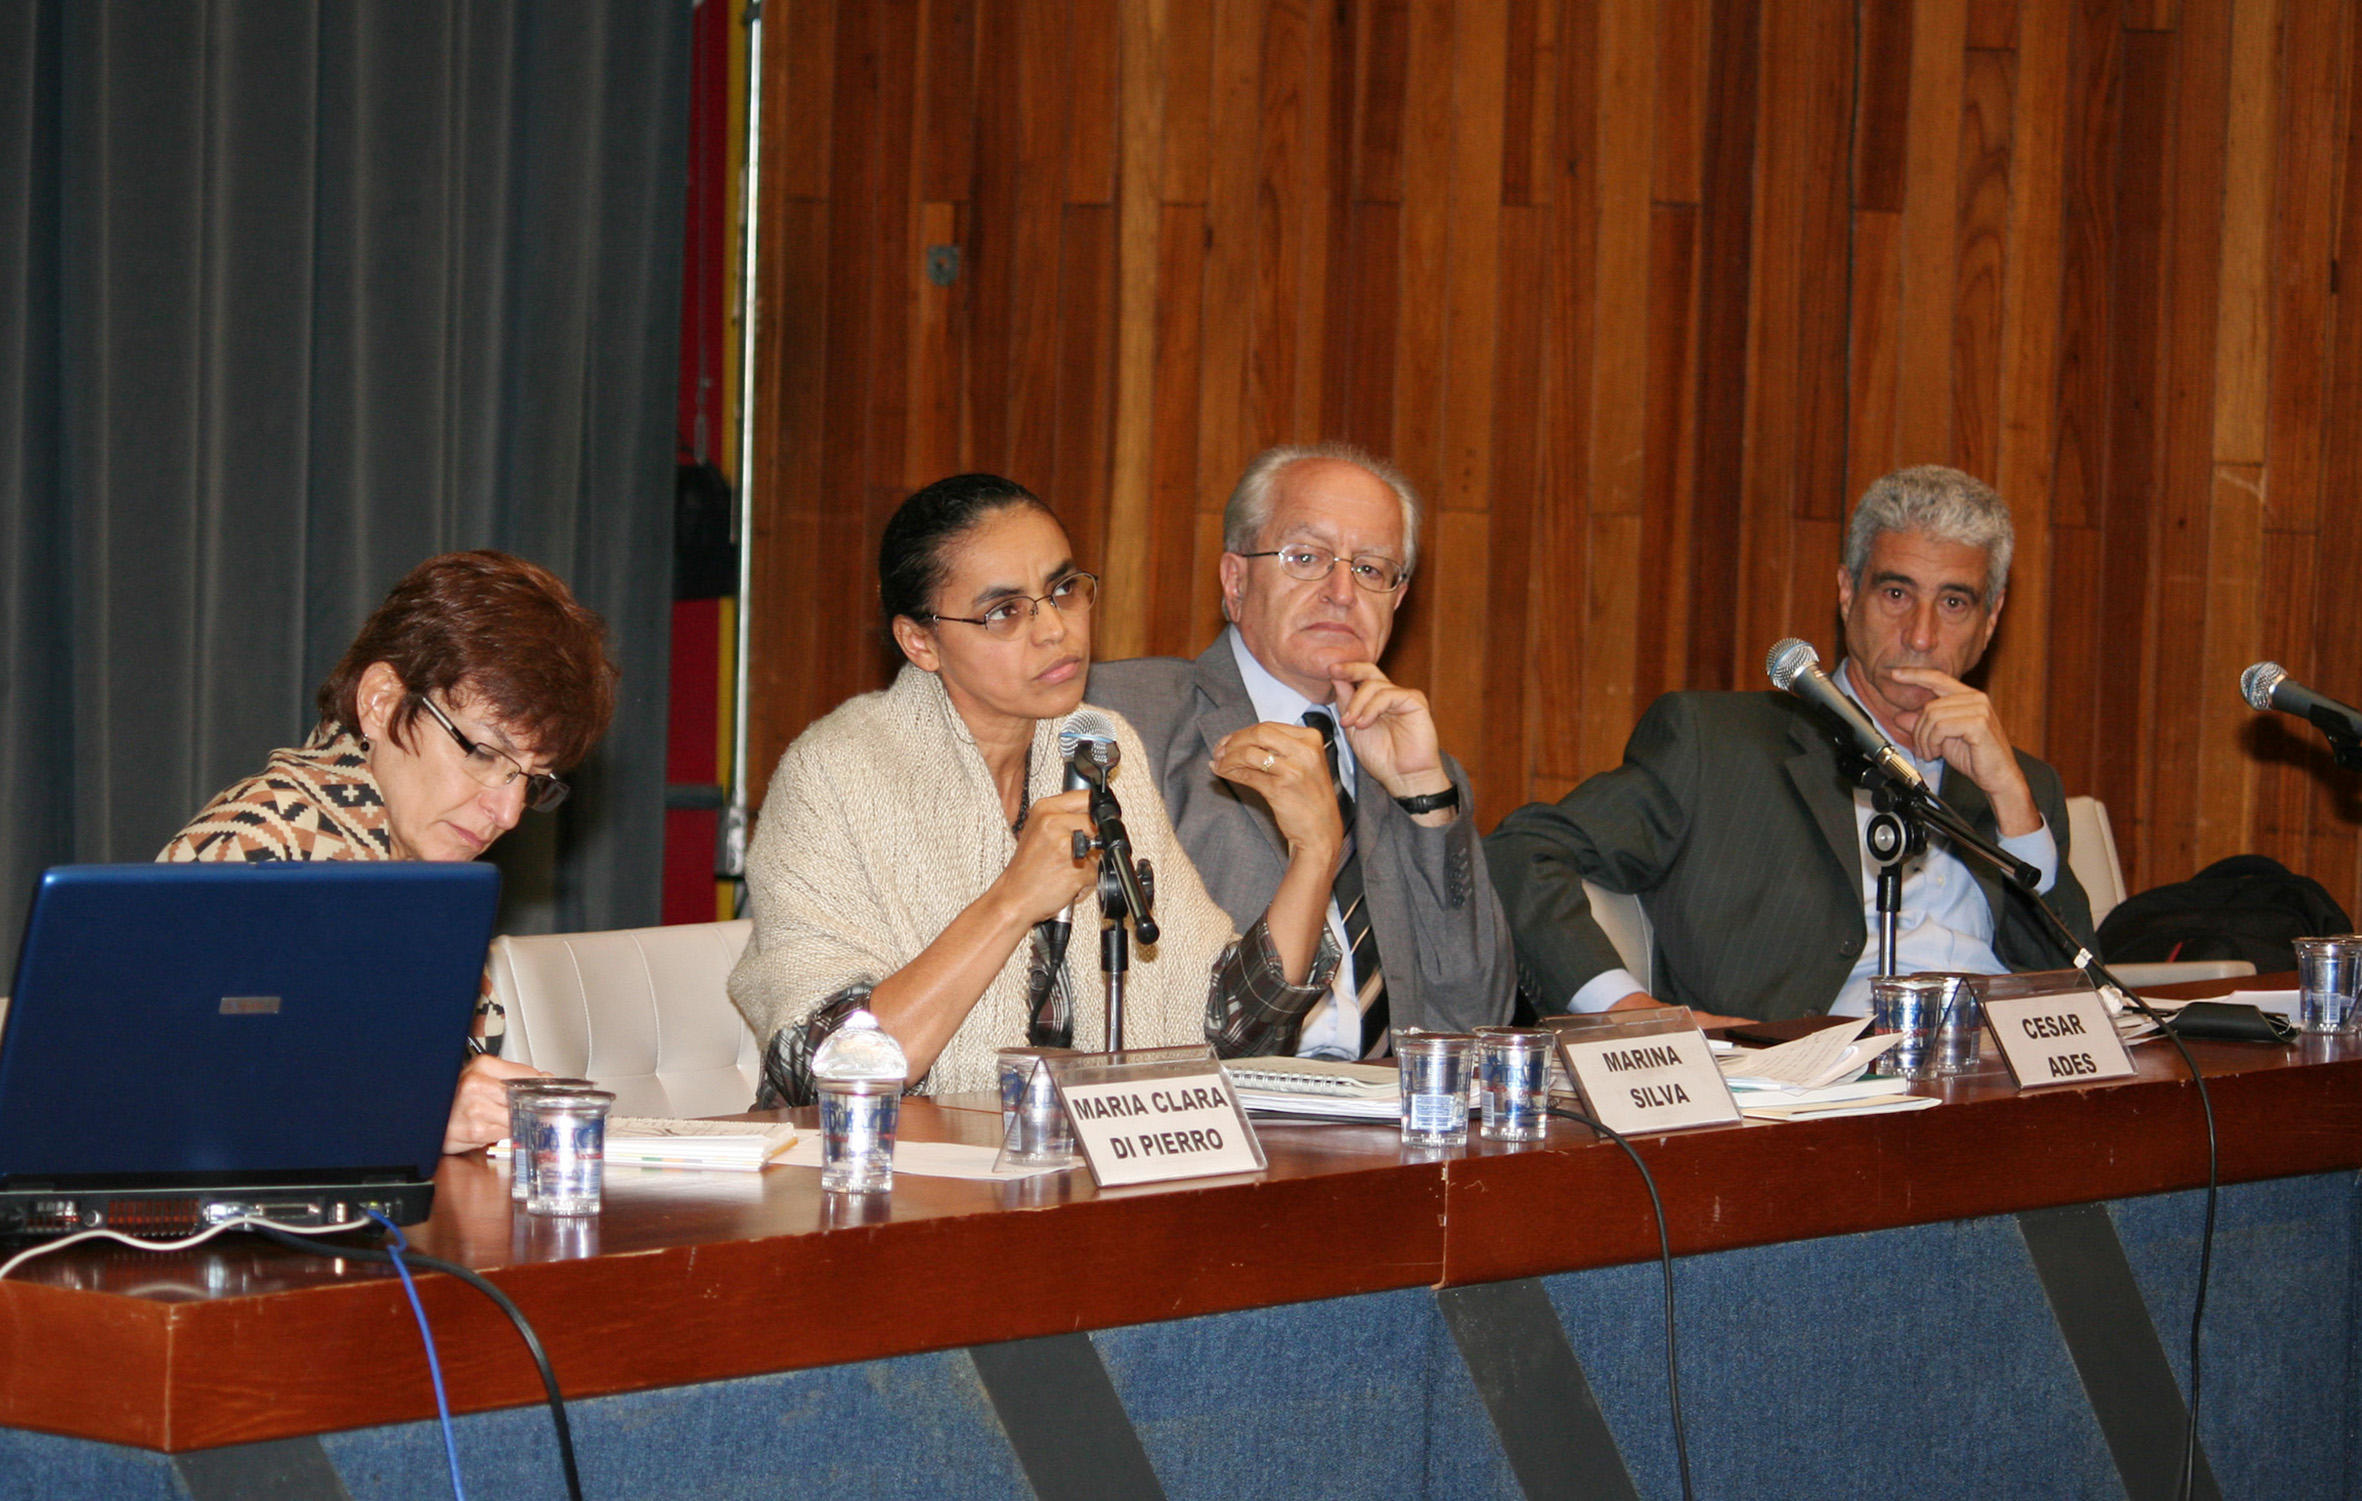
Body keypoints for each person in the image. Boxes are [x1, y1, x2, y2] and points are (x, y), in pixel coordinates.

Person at [727, 474, 1343, 1102]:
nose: (1054, 629)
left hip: (1066, 1164)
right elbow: (826, 1072)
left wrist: (1313, 852)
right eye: (1005, 612)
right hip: (881, 1174)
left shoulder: (1099, 747)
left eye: (1062, 590)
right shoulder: (834, 774)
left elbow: (1233, 1028)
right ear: (920, 642)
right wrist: (1012, 901)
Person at [1487, 465, 2094, 1024]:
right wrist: (1629, 1011)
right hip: (1823, 1086)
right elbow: (1521, 855)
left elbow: (2078, 985)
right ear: (1847, 592)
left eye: (1954, 602)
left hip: (1996, 1080)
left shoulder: (2022, 786)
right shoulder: (1717, 744)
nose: (1921, 635)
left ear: (1990, 622)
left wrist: (2011, 798)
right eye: (1896, 594)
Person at [161, 549, 618, 1150]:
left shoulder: (412, 870)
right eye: (484, 754)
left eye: (530, 781)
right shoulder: (256, 851)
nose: (507, 813)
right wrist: (418, 1116)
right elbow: (180, 1116)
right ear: (380, 702)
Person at [1089, 443, 1514, 1058]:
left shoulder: (1419, 765)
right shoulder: (1128, 719)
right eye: (1306, 557)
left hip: (1385, 1126)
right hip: (1216, 1108)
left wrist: (1428, 802)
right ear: (1235, 580)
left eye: (1371, 569)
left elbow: (1476, 1021)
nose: (1342, 592)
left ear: (1397, 600)